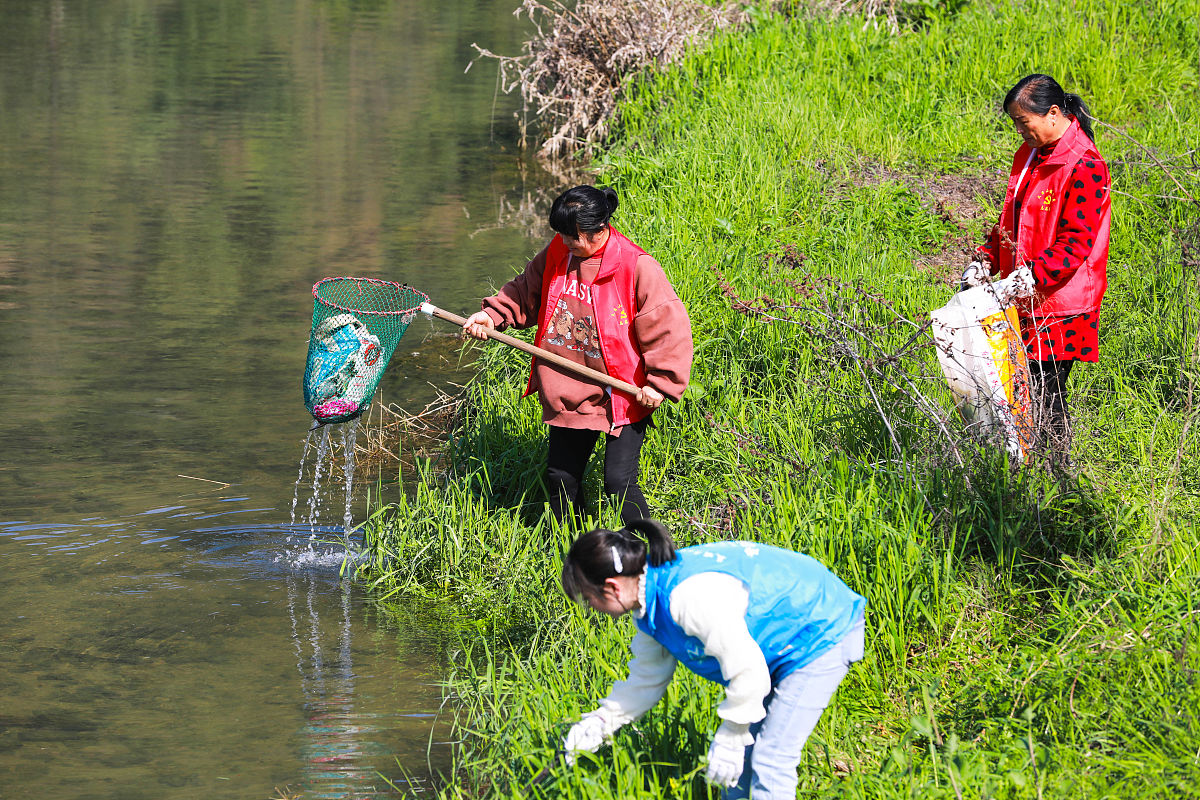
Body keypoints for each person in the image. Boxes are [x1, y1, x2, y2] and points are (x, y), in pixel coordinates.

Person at [560, 519, 866, 799]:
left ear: (612, 588)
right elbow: (646, 681)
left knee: (770, 757)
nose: (591, 608)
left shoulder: (686, 598)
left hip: (819, 633)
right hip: (778, 647)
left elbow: (749, 671)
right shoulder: (650, 604)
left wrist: (733, 732)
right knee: (739, 764)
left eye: (589, 600)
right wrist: (601, 723)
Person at [463, 186, 693, 525]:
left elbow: (668, 327)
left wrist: (660, 384)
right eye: (562, 236)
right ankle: (575, 552)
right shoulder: (560, 250)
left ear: (600, 228)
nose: (566, 243)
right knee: (561, 478)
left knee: (619, 483)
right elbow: (527, 288)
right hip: (570, 385)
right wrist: (493, 315)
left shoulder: (636, 266)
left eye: (574, 237)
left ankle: (651, 553)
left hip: (623, 392)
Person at [963, 74, 1111, 460]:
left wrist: (1025, 279)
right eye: (1014, 122)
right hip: (1025, 297)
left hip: (1062, 304)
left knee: (1046, 392)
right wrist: (985, 260)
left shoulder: (1086, 165)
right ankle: (1029, 470)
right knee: (1019, 387)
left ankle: (1055, 480)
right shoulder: (1029, 154)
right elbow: (1010, 221)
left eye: (1022, 122)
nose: (1018, 130)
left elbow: (1076, 244)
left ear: (1053, 113)